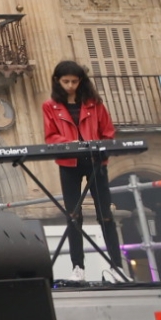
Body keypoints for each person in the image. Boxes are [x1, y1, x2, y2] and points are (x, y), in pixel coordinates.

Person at [42, 61, 126, 282]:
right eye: (66, 81)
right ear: (57, 81)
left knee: (105, 215)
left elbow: (108, 132)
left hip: (95, 161)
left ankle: (116, 266)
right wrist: (72, 143)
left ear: (81, 81)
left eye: (74, 81)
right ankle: (77, 267)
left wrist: (97, 148)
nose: (70, 85)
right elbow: (50, 136)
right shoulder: (50, 106)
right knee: (73, 216)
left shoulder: (95, 104)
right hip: (68, 163)